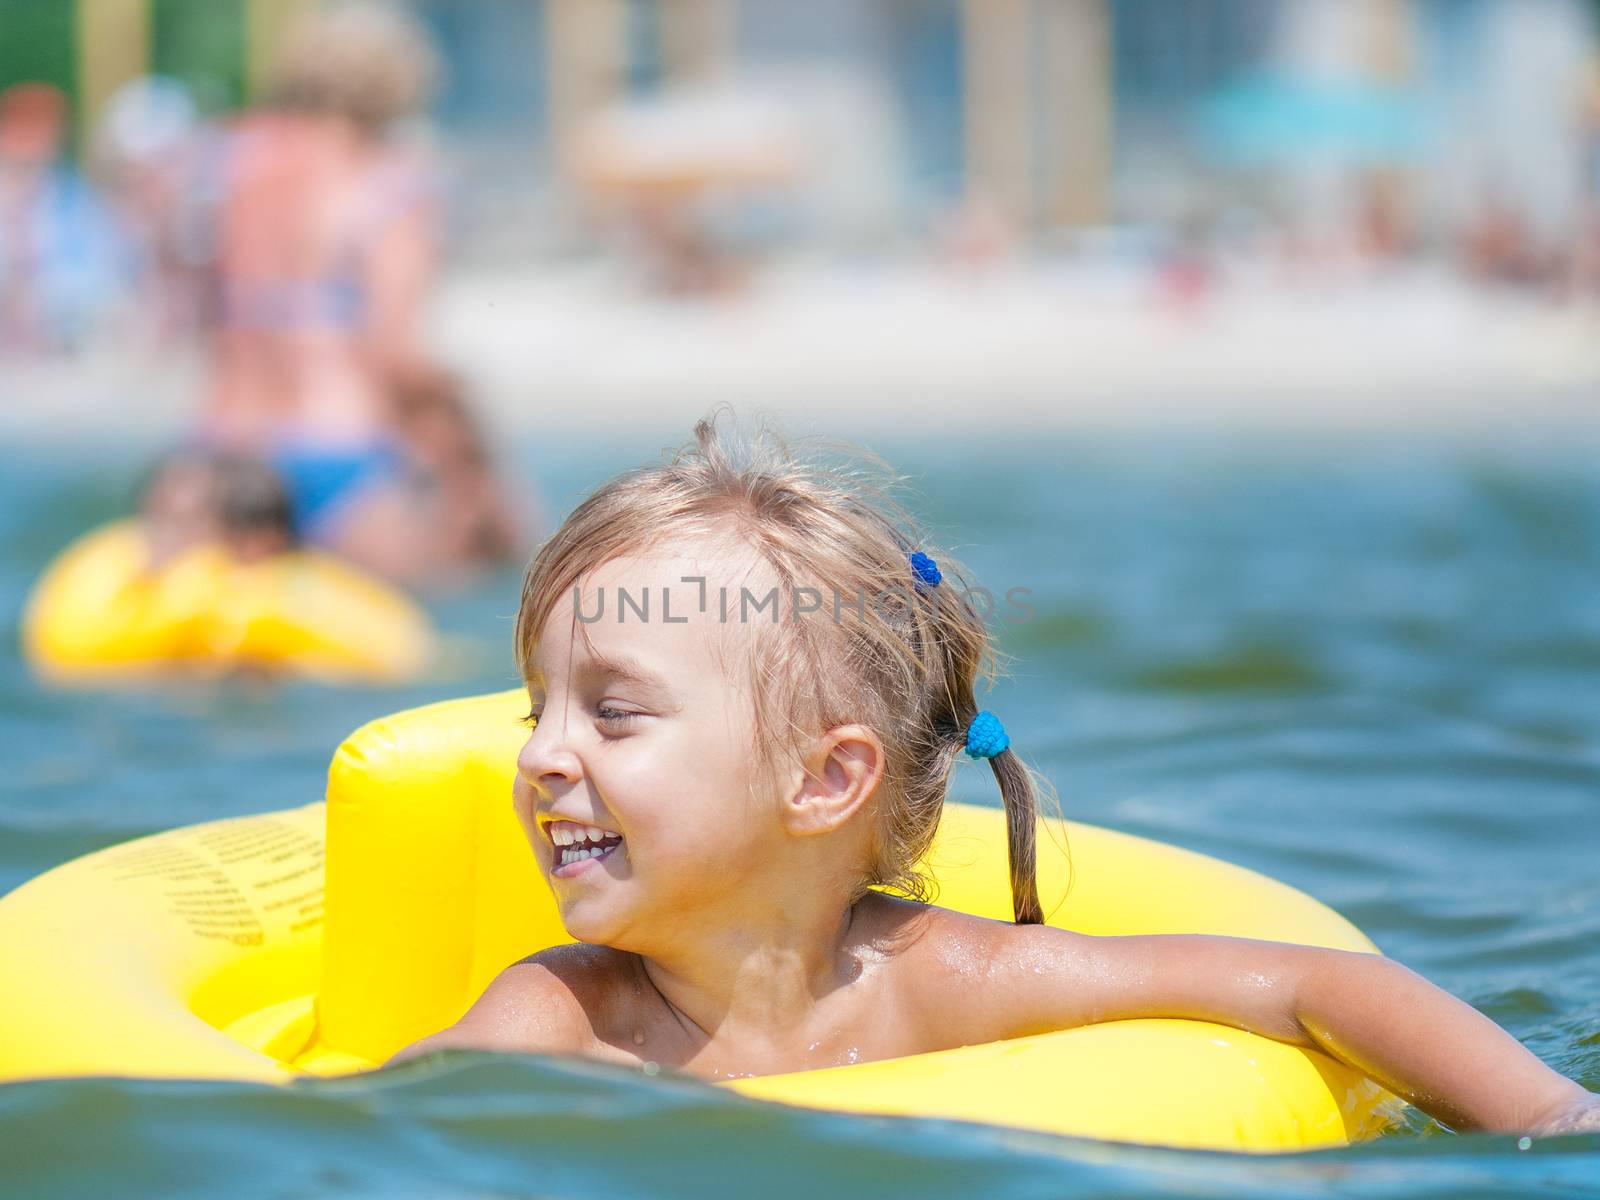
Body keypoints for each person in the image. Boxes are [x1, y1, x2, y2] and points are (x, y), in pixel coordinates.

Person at [389, 414, 1598, 1138]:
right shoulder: (561, 1010)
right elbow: (407, 1121)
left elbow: (1306, 985)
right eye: (534, 707)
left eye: (612, 713)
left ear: (824, 783)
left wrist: (1556, 1125)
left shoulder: (943, 986)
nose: (541, 752)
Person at [196, 1, 442, 584]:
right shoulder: (390, 178)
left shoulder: (231, 162)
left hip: (224, 442)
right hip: (341, 446)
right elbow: (394, 349)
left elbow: (201, 307)